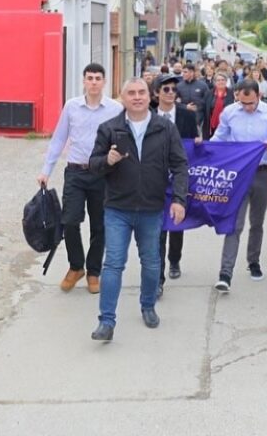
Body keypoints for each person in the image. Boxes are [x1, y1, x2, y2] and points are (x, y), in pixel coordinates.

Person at [88, 78, 189, 339]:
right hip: (117, 209)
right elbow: (94, 165)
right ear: (122, 98)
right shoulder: (109, 129)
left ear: (150, 96)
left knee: (152, 263)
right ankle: (106, 321)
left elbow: (180, 166)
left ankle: (148, 306)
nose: (137, 97)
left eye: (141, 92)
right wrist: (108, 160)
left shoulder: (165, 128)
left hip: (151, 208)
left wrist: (179, 199)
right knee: (113, 264)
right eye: (131, 93)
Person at [36, 63, 122, 295]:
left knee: (100, 225)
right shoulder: (72, 107)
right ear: (83, 81)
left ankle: (93, 272)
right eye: (89, 78)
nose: (93, 82)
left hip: (103, 173)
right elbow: (58, 139)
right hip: (75, 172)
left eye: (97, 78)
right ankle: (76, 267)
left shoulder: (114, 109)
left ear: (104, 82)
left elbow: (124, 139)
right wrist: (46, 170)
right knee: (70, 221)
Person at [212, 80, 267, 292]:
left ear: (259, 96)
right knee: (235, 223)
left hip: (263, 173)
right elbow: (220, 137)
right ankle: (225, 272)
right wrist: (204, 147)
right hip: (238, 175)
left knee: (257, 222)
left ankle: (253, 262)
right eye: (243, 103)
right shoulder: (230, 112)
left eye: (251, 103)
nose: (247, 107)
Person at [154, 73, 199, 296]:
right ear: (157, 93)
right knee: (158, 229)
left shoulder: (186, 116)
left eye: (174, 89)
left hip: (179, 178)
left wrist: (198, 143)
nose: (171, 93)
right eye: (166, 90)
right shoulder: (148, 115)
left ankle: (174, 260)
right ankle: (158, 279)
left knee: (177, 222)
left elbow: (193, 143)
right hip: (155, 180)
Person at [177, 63, 210, 131]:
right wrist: (185, 107)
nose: (182, 74)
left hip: (198, 120)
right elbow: (174, 103)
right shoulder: (179, 86)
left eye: (185, 72)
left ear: (192, 72)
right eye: (182, 72)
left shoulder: (203, 85)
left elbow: (208, 102)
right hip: (183, 120)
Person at [203, 72, 235, 140]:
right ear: (215, 82)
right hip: (211, 125)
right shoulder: (209, 93)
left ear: (226, 81)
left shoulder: (232, 93)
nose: (221, 82)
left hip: (226, 125)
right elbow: (205, 108)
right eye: (218, 80)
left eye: (223, 80)